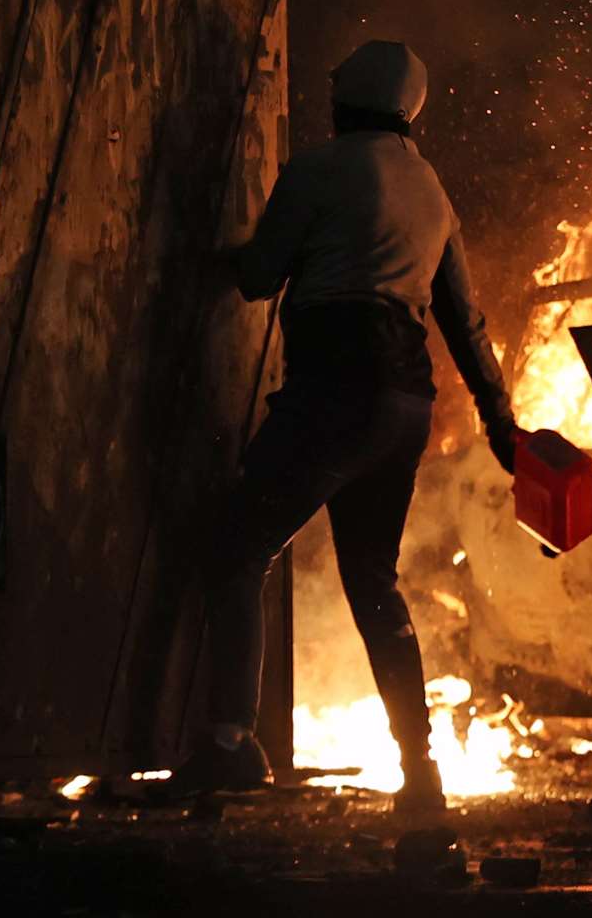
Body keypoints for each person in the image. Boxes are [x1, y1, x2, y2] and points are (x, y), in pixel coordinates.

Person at [176, 40, 521, 814]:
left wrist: (203, 257)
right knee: (373, 583)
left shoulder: (318, 169)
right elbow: (464, 324)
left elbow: (261, 277)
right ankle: (421, 772)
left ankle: (230, 743)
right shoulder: (433, 192)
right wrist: (504, 427)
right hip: (406, 403)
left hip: (333, 390)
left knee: (237, 551)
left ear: (341, 105)